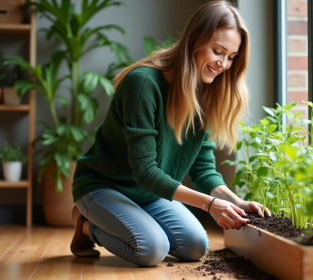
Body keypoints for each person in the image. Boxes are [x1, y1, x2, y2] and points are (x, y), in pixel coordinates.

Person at [70, 0, 271, 266]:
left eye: (231, 57)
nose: (223, 64)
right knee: (151, 249)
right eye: (218, 51)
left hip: (149, 194)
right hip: (103, 186)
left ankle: (128, 220)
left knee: (196, 246)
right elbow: (145, 172)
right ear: (195, 40)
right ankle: (85, 225)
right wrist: (210, 205)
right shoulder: (142, 84)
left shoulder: (207, 94)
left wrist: (236, 202)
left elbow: (203, 170)